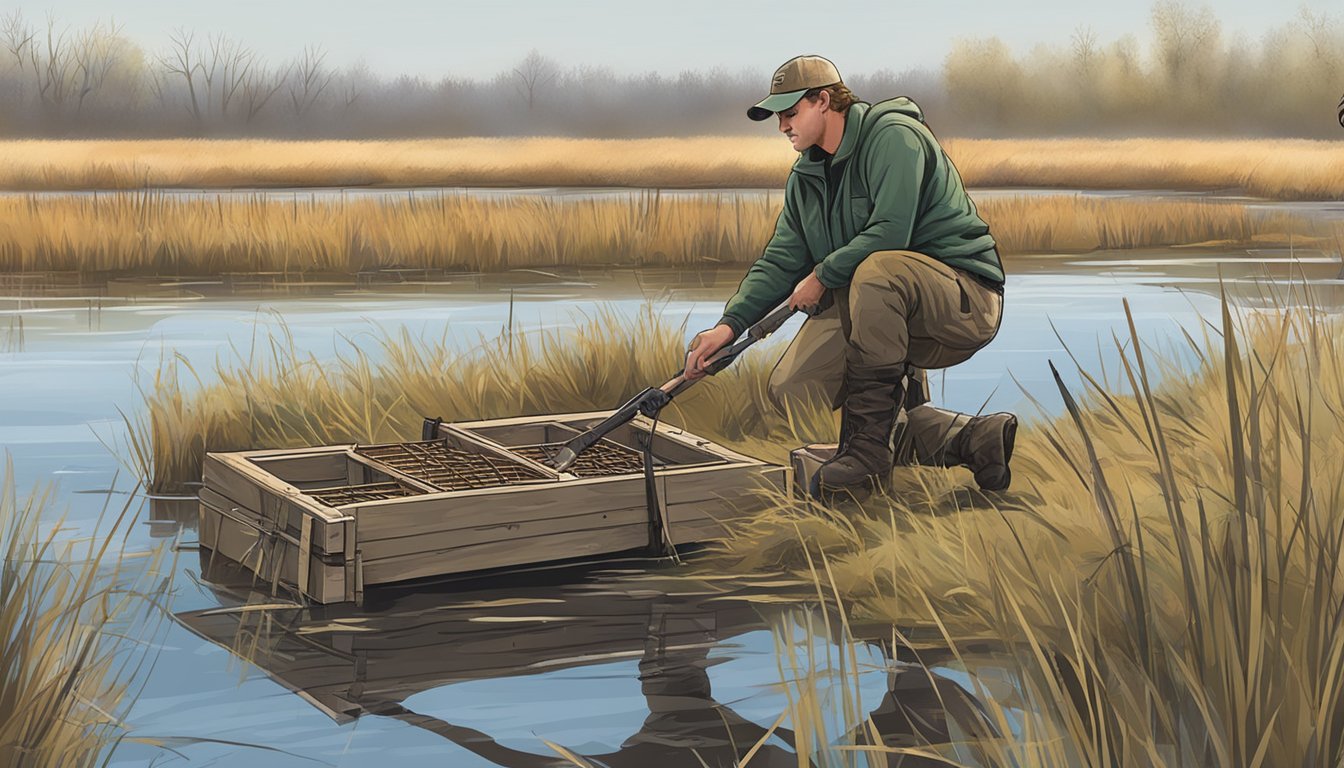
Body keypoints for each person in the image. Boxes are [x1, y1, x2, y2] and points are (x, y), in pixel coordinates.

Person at [684, 55, 1017, 497]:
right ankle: (974, 439)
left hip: (964, 300)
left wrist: (822, 274)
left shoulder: (895, 137)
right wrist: (727, 327)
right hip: (881, 305)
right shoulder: (805, 176)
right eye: (778, 117)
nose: (782, 126)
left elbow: (891, 230)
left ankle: (868, 454)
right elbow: (781, 259)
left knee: (877, 271)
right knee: (793, 390)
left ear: (824, 100)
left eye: (790, 112)